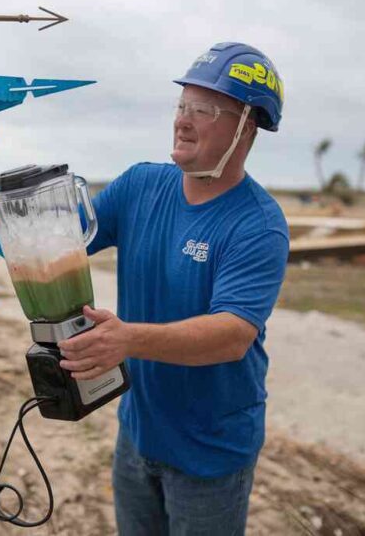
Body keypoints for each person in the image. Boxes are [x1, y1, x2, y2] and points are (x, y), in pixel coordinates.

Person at [59, 42, 289, 535]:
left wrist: (127, 339)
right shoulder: (141, 186)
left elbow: (232, 335)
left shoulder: (257, 224)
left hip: (211, 453)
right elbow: (64, 243)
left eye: (203, 109)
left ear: (246, 125)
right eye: (182, 105)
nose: (182, 120)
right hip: (139, 432)